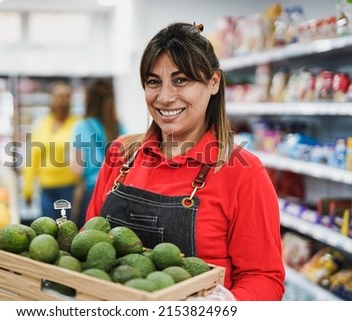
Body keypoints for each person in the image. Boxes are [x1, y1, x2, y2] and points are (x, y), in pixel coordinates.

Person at [86, 22, 285, 300]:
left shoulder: (244, 173)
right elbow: (90, 240)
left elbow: (264, 278)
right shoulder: (122, 154)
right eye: (153, 82)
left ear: (213, 82)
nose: (165, 97)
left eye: (181, 81)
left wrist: (222, 308)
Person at [69, 77, 125, 228]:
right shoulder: (119, 127)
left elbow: (76, 169)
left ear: (88, 99)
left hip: (91, 196)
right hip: (116, 197)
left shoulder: (82, 126)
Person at [22, 81, 80, 220]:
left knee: (68, 229)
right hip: (46, 188)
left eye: (66, 96)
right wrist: (27, 189)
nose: (62, 101)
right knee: (48, 228)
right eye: (59, 96)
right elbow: (33, 157)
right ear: (51, 99)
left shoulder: (77, 124)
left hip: (70, 187)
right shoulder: (42, 124)